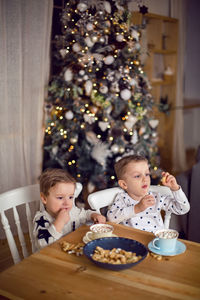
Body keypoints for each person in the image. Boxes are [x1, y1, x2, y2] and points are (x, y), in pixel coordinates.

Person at [107, 155, 190, 233]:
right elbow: (111, 218)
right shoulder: (122, 199)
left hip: (156, 242)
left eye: (147, 174)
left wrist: (175, 189)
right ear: (124, 184)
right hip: (132, 242)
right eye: (137, 176)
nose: (145, 179)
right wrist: (137, 208)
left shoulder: (156, 197)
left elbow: (183, 209)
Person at [33, 168, 105, 250]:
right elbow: (43, 245)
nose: (67, 203)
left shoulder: (72, 211)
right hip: (51, 258)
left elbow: (84, 214)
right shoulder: (41, 219)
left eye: (71, 197)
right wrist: (59, 222)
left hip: (72, 251)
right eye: (60, 198)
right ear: (44, 198)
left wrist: (93, 215)